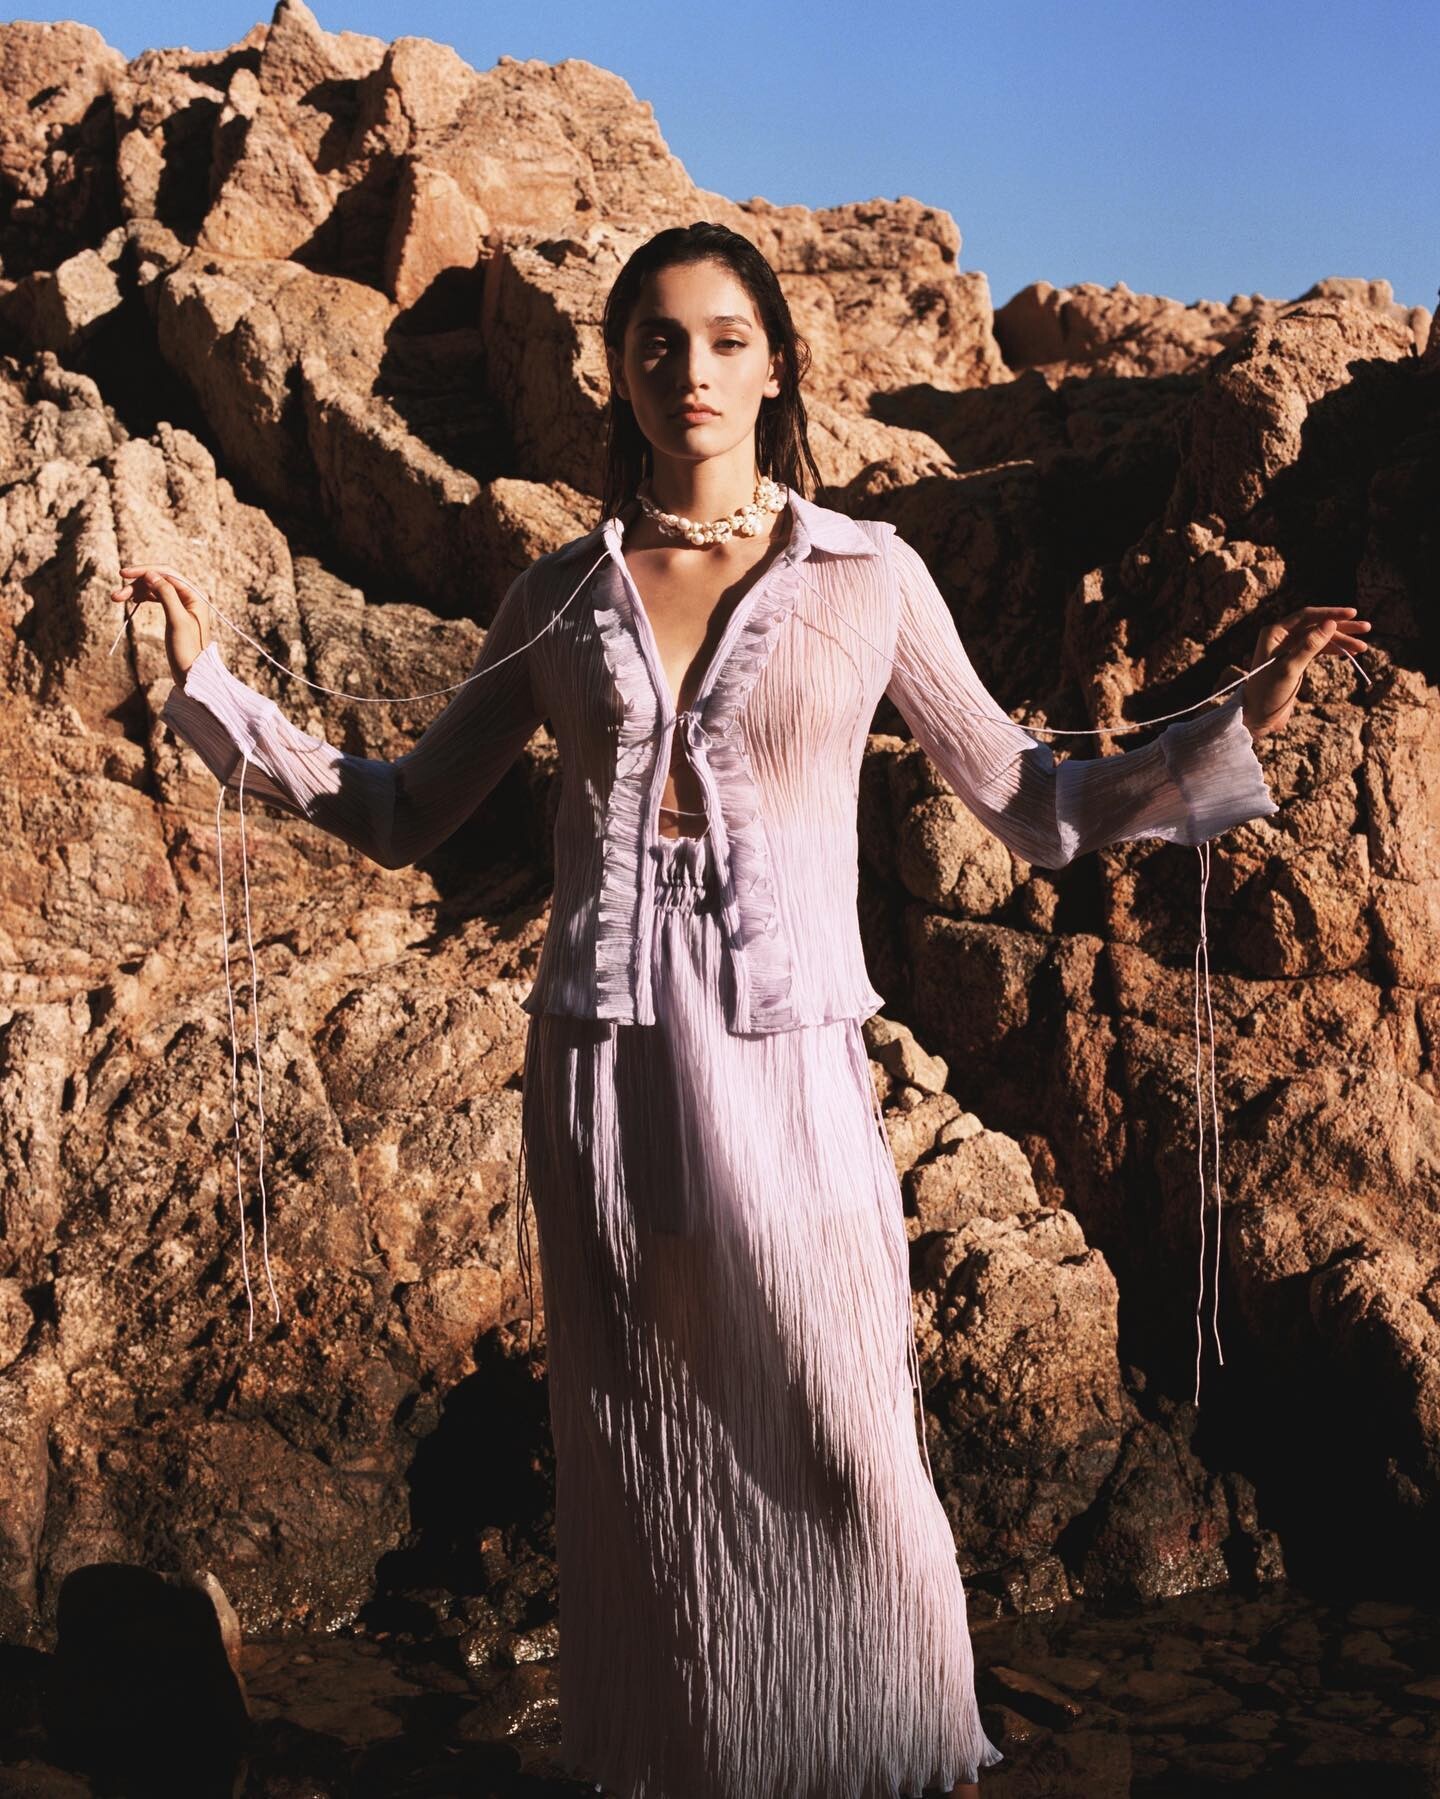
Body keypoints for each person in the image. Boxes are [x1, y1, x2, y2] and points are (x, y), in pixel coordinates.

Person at [113, 221, 1368, 1799]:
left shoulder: (867, 575)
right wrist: (213, 690)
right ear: (618, 372)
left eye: (722, 339)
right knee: (648, 1451)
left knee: (847, 1433)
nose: (689, 369)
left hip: (791, 1054)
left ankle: (896, 1755)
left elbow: (1036, 803)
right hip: (606, 1064)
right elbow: (403, 810)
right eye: (656, 341)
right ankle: (682, 1763)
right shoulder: (559, 594)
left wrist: (1238, 718)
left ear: (774, 364)